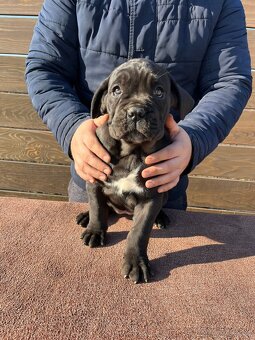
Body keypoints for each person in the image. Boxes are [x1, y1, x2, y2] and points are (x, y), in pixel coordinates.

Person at [25, 0, 252, 210]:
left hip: (162, 184)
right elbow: (45, 68)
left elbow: (229, 82)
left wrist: (194, 138)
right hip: (94, 176)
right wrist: (71, 126)